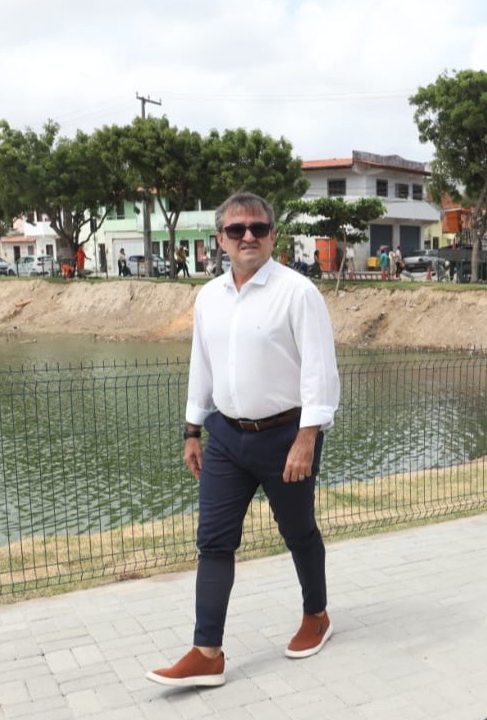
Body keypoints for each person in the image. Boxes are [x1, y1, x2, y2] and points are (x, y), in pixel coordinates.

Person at [147, 192, 340, 688]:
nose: (248, 236)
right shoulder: (208, 296)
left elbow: (321, 372)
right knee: (213, 541)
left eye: (258, 228)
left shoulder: (298, 293)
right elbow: (201, 366)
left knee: (298, 532)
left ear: (273, 235)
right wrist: (193, 429)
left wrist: (307, 438)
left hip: (285, 438)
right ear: (221, 240)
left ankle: (316, 614)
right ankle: (206, 651)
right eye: (237, 230)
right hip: (226, 439)